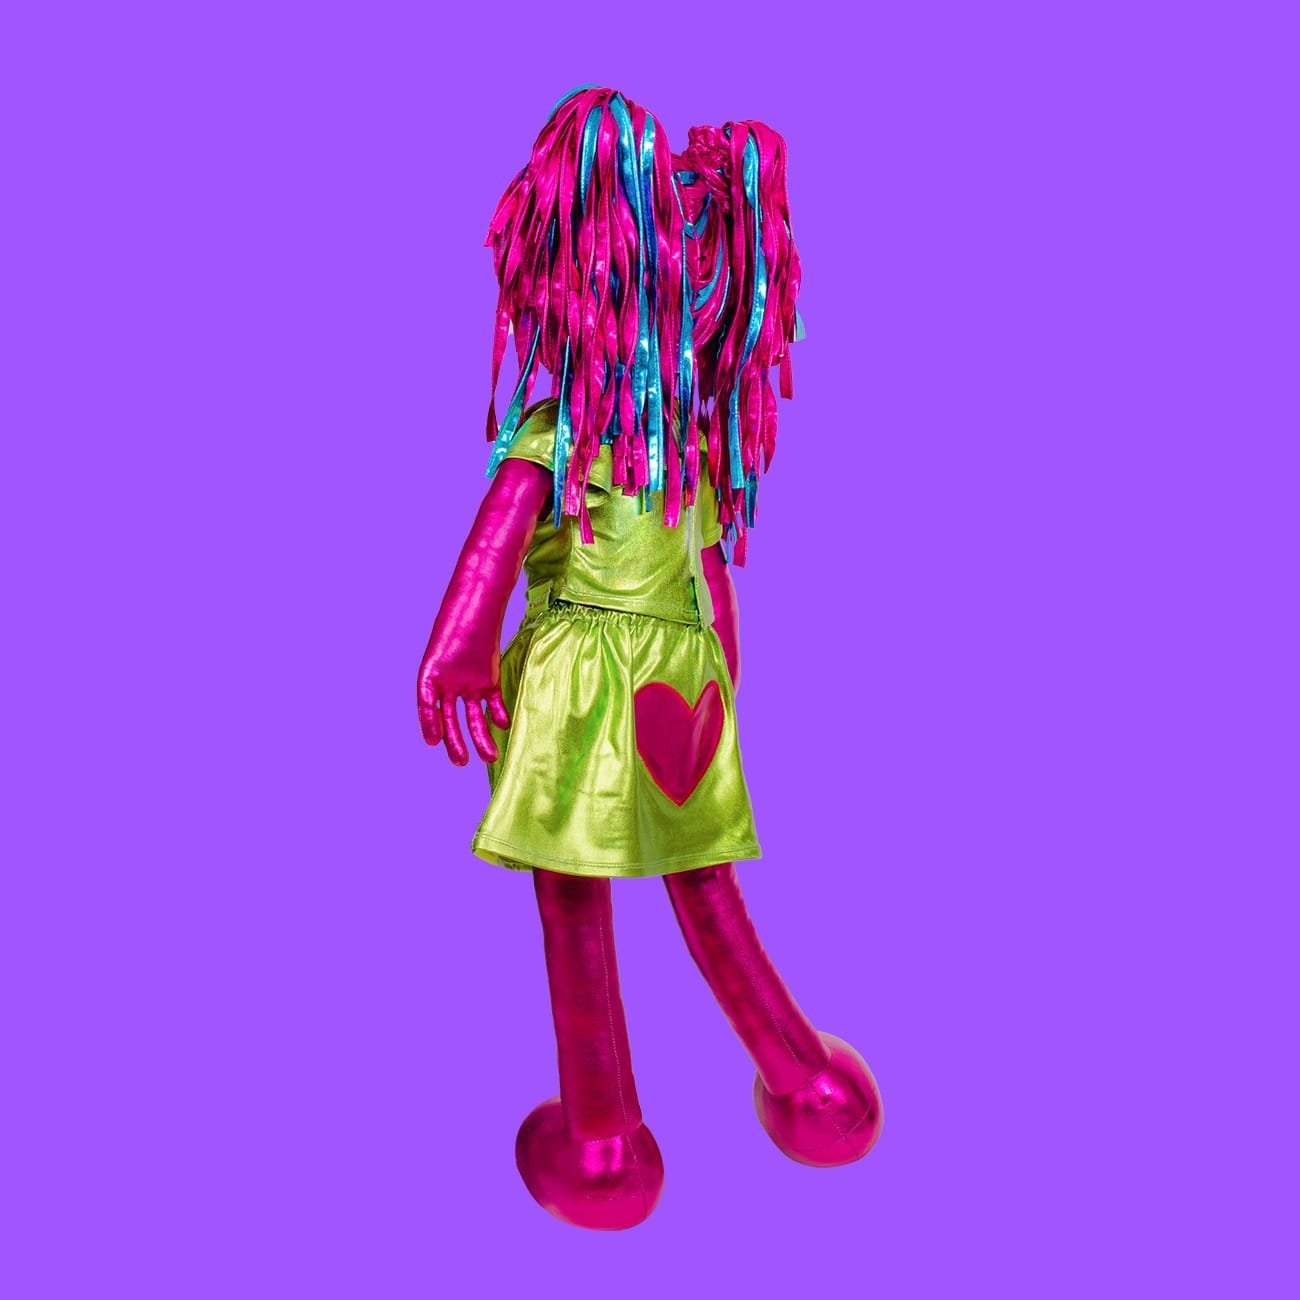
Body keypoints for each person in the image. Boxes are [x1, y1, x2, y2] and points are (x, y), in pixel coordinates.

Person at [416, 86, 882, 1231]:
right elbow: (709, 584)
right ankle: (812, 1091)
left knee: (574, 897)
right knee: (705, 881)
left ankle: (601, 1141)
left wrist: (457, 651)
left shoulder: (555, 433)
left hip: (575, 678)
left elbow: (493, 548)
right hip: (680, 684)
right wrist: (717, 682)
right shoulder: (693, 451)